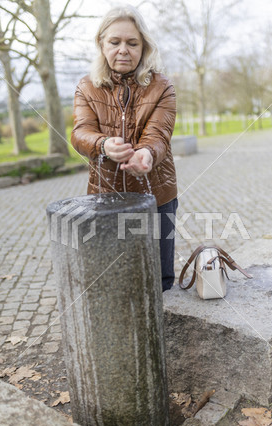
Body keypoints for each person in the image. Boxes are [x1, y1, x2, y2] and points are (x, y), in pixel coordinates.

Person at [71, 5, 178, 291]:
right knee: (113, 281)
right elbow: (80, 133)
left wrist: (146, 154)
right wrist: (102, 143)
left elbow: (159, 134)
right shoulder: (86, 87)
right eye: (114, 42)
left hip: (157, 194)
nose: (123, 50)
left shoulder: (162, 86)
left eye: (132, 43)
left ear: (144, 47)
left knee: (159, 280)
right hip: (105, 196)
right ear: (101, 44)